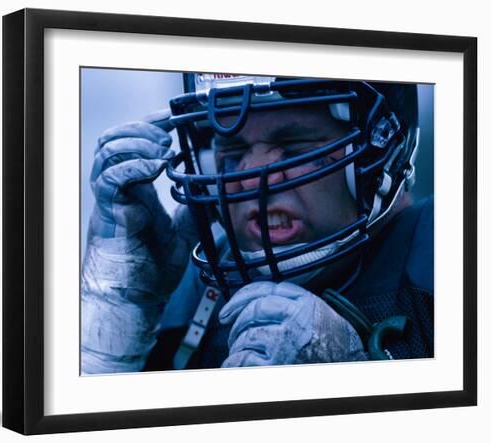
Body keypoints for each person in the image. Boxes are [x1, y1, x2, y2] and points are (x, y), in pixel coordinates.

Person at [81, 74, 433, 374]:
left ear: (380, 145)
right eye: (233, 152)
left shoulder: (443, 250)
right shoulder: (198, 285)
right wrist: (117, 317)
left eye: (294, 148)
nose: (251, 178)